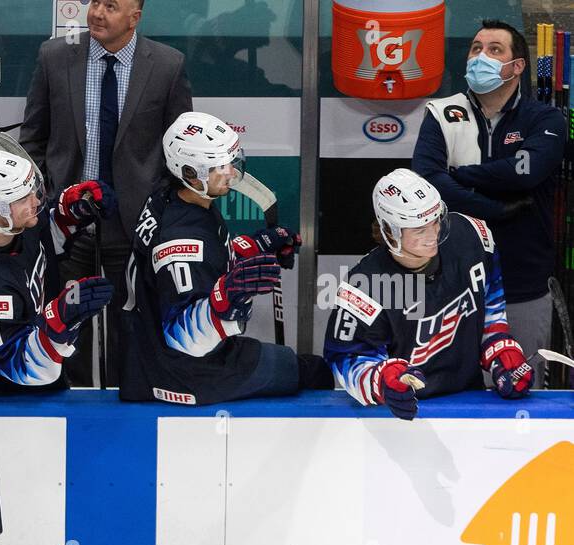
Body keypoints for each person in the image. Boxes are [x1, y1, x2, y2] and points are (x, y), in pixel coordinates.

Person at [20, 0, 193, 387]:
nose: (97, 12)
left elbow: (178, 150)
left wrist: (160, 210)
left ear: (135, 17)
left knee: (127, 326)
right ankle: (67, 403)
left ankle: (122, 402)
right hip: (67, 223)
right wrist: (44, 201)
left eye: (111, 6)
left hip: (133, 223)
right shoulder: (54, 56)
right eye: (95, 2)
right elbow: (33, 137)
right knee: (64, 324)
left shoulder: (167, 65)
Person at [120, 112, 326, 405]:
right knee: (311, 371)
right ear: (190, 172)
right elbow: (184, 337)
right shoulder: (180, 239)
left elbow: (206, 256)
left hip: (149, 356)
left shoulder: (170, 195)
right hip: (186, 372)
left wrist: (256, 245)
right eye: (219, 166)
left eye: (230, 160)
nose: (231, 171)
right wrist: (224, 301)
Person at [412, 19, 563, 386]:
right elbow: (427, 183)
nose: (481, 56)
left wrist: (459, 174)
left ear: (517, 66)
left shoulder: (544, 118)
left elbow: (525, 172)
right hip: (451, 287)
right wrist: (493, 209)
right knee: (449, 400)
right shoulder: (441, 113)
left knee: (521, 393)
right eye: (476, 48)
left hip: (522, 284)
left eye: (495, 50)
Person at [324, 169, 532, 420]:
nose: (433, 235)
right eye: (419, 229)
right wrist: (382, 379)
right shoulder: (364, 287)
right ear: (390, 231)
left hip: (468, 402)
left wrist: (500, 353)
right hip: (399, 416)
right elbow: (347, 359)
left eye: (435, 221)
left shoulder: (473, 238)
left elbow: (491, 313)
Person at [0, 148, 114, 393]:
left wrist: (72, 212)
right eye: (23, 198)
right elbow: (23, 369)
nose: (35, 201)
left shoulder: (8, 224)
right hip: (9, 406)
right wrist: (59, 319)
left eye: (32, 191)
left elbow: (44, 235)